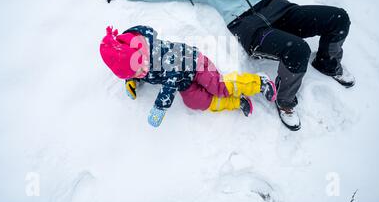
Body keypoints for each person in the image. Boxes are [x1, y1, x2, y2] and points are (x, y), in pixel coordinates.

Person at [102, 0, 355, 131]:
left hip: (283, 9)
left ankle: (327, 62)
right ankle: (286, 101)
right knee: (297, 50)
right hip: (251, 27)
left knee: (338, 18)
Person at [100, 25, 277, 127]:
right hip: (184, 82)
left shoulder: (158, 52)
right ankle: (237, 102)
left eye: (139, 71)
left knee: (218, 87)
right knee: (195, 102)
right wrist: (132, 79)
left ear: (140, 53)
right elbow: (132, 68)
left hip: (195, 64)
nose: (140, 74)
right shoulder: (135, 60)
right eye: (135, 73)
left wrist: (160, 105)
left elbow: (171, 79)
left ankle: (258, 82)